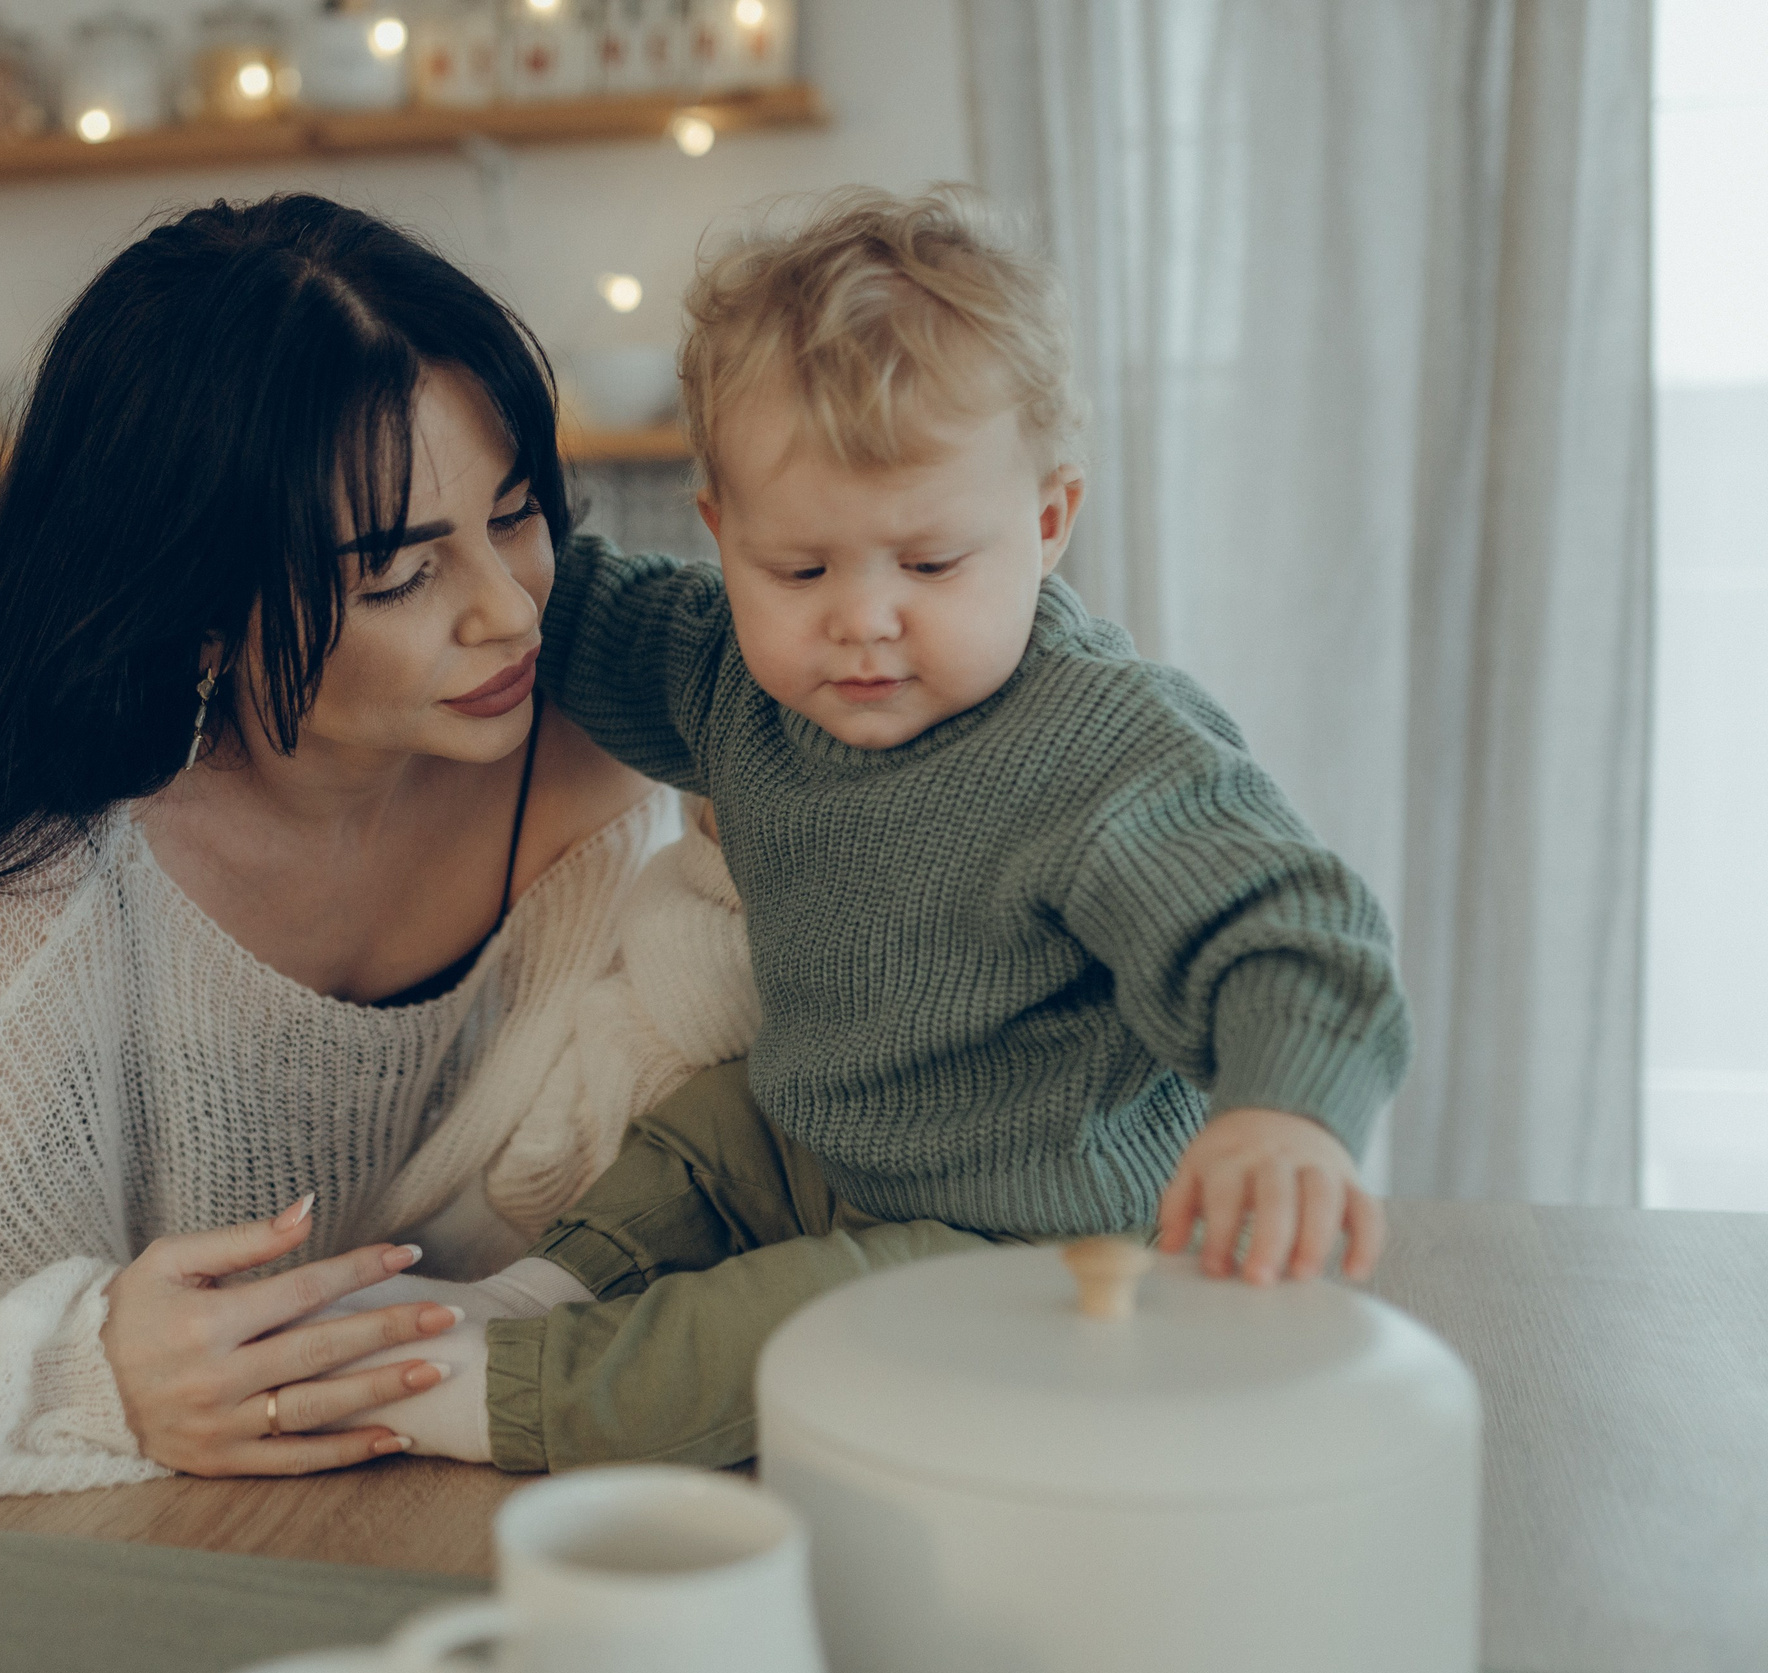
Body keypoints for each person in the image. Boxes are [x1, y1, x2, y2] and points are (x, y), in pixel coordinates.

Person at [0, 195, 756, 1575]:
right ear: (200, 603)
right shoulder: (58, 881)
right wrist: (100, 1375)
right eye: (399, 572)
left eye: (517, 517)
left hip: (416, 1474)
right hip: (78, 1514)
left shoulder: (603, 762)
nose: (507, 608)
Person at [323, 185, 1412, 1473]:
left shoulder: (1103, 749)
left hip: (1038, 1237)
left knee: (781, 1338)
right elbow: (563, 607)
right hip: (828, 1135)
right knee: (704, 1133)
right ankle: (540, 1289)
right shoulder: (736, 665)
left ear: (1049, 521)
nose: (864, 620)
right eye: (802, 570)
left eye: (933, 565)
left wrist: (1282, 1112)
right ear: (723, 536)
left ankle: (501, 1393)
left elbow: (1296, 929)